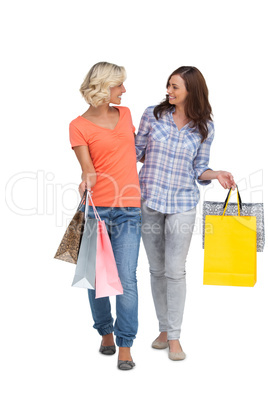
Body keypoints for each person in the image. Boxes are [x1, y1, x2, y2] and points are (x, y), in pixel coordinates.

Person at [135, 66, 235, 361]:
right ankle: (163, 329)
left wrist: (215, 173)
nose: (169, 91)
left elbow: (199, 168)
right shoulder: (152, 114)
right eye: (168, 85)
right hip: (149, 200)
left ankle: (174, 337)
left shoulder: (205, 128)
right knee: (157, 270)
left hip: (182, 205)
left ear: (192, 90)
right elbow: (135, 151)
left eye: (175, 87)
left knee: (175, 271)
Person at [69, 62, 141, 370]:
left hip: (129, 210)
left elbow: (134, 153)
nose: (124, 90)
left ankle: (125, 344)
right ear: (104, 88)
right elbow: (89, 170)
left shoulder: (125, 115)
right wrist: (86, 179)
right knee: (97, 278)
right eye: (119, 85)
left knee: (126, 278)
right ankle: (106, 332)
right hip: (98, 210)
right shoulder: (78, 125)